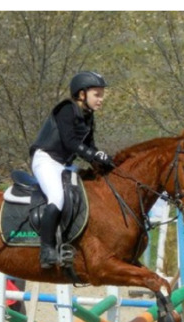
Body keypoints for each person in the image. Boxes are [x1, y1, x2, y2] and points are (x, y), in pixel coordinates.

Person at [29, 70, 115, 268]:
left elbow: (89, 146)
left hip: (63, 164)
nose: (101, 99)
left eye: (102, 94)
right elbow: (70, 142)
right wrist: (93, 154)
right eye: (97, 94)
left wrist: (102, 159)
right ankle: (47, 250)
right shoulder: (66, 109)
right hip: (46, 159)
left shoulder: (88, 115)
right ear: (82, 94)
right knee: (57, 197)